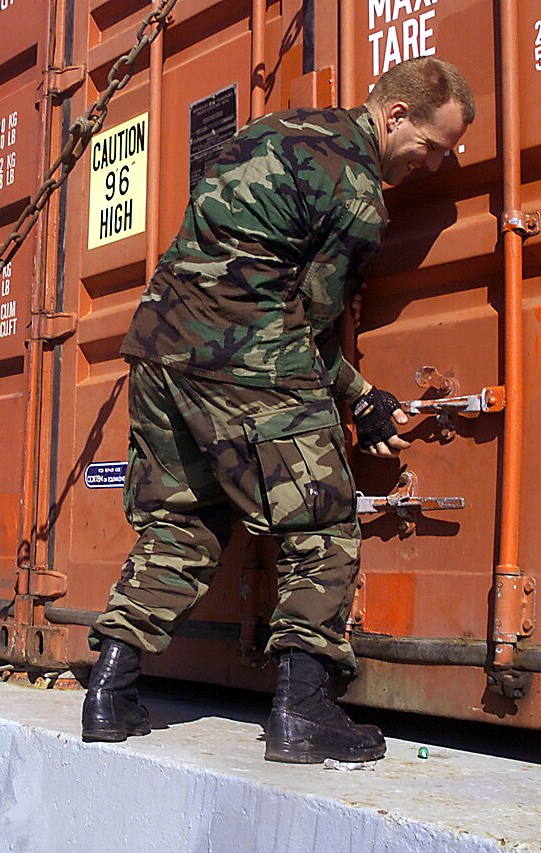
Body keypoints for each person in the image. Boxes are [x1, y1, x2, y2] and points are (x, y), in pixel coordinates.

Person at [82, 57, 475, 763]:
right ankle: (303, 711)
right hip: (244, 357)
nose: (436, 164)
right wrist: (364, 398)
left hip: (158, 348)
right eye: (434, 146)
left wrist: (355, 394)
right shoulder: (356, 189)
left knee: (185, 521)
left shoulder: (278, 131)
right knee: (322, 524)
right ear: (394, 117)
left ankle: (110, 690)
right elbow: (307, 321)